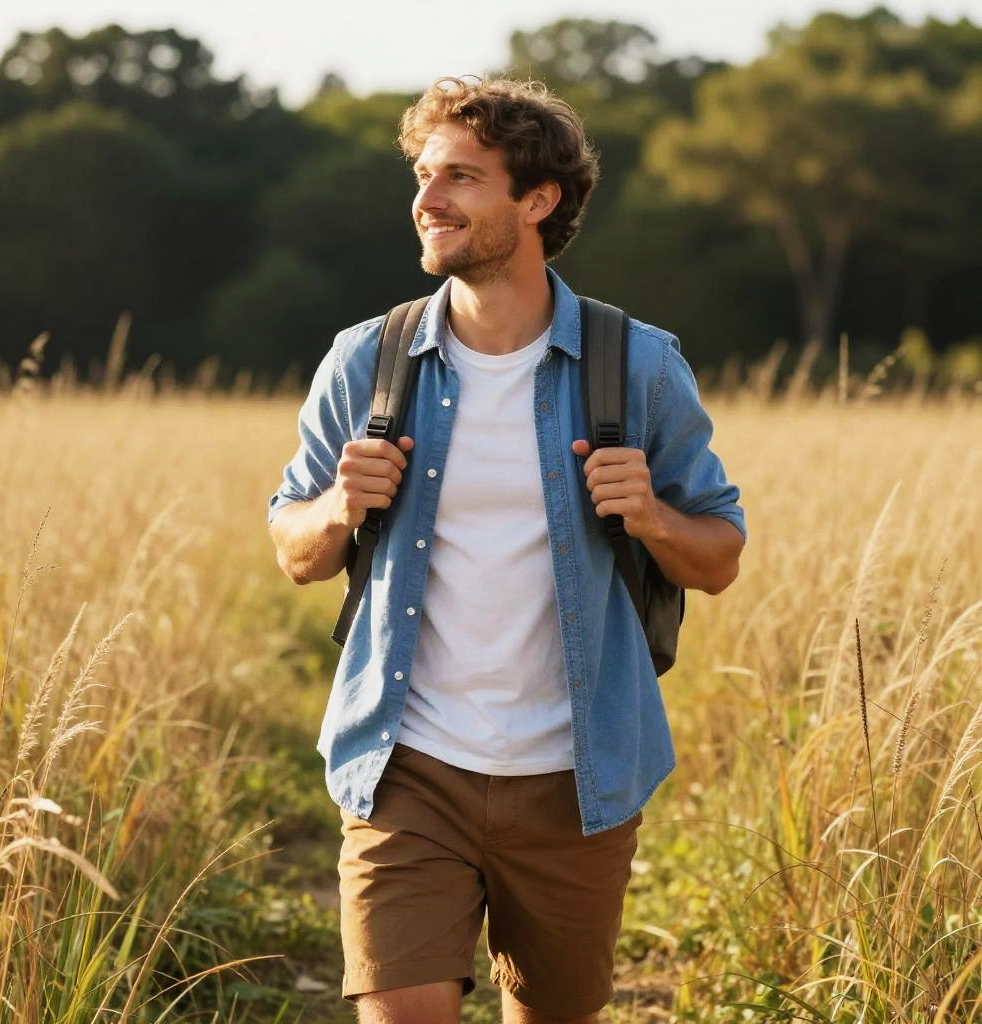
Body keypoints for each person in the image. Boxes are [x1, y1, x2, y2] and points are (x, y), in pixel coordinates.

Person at [268, 76, 745, 1024]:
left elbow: (720, 552)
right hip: (407, 768)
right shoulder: (366, 359)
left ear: (537, 201)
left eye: (461, 177)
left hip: (577, 776)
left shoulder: (639, 365)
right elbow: (295, 547)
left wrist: (652, 517)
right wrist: (334, 509)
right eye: (422, 173)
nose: (427, 199)